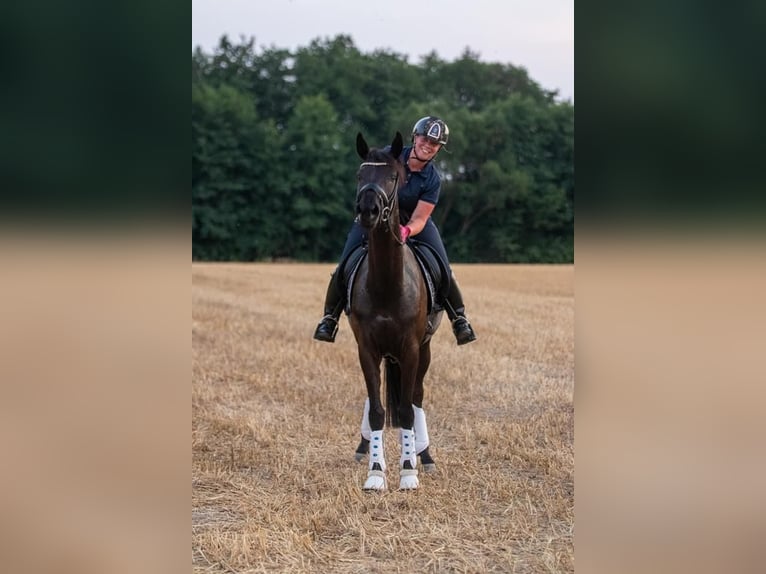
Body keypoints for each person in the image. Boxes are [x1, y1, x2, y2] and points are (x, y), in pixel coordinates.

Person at [313, 116, 477, 346]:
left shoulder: (432, 179)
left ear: (439, 148)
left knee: (443, 268)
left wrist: (407, 230)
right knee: (344, 266)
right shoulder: (391, 155)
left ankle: (459, 319)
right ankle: (329, 318)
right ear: (415, 137)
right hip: (375, 219)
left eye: (434, 143)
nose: (428, 145)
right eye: (425, 139)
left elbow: (421, 216)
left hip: (413, 224)